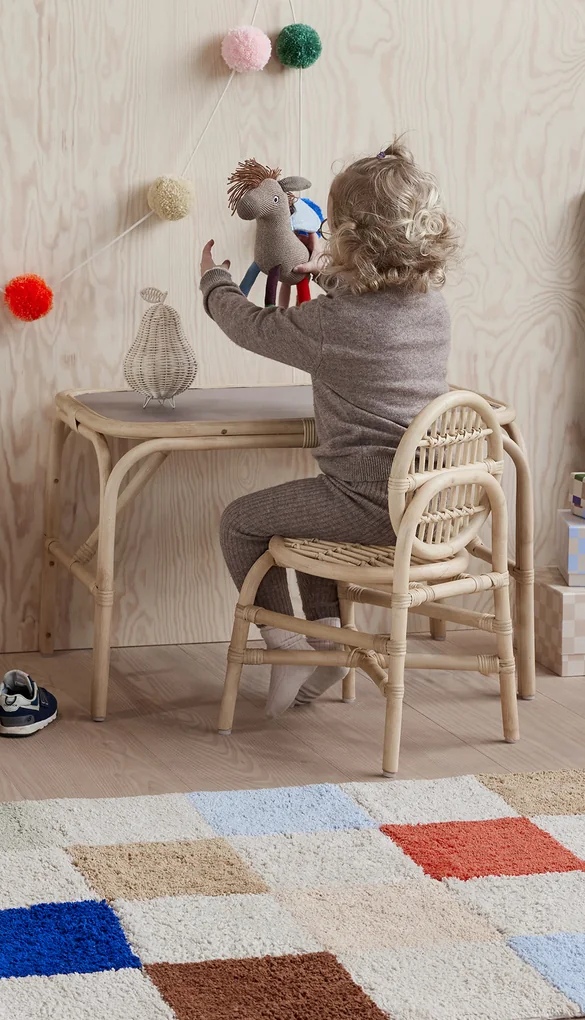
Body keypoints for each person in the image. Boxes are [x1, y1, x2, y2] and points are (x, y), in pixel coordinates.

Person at [199, 139, 459, 716]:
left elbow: (252, 327)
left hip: (369, 503)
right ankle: (326, 643)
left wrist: (214, 283)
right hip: (430, 503)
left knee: (240, 522)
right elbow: (371, 313)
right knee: (308, 515)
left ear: (348, 238)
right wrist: (327, 277)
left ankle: (286, 645)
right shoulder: (431, 309)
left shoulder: (332, 325)